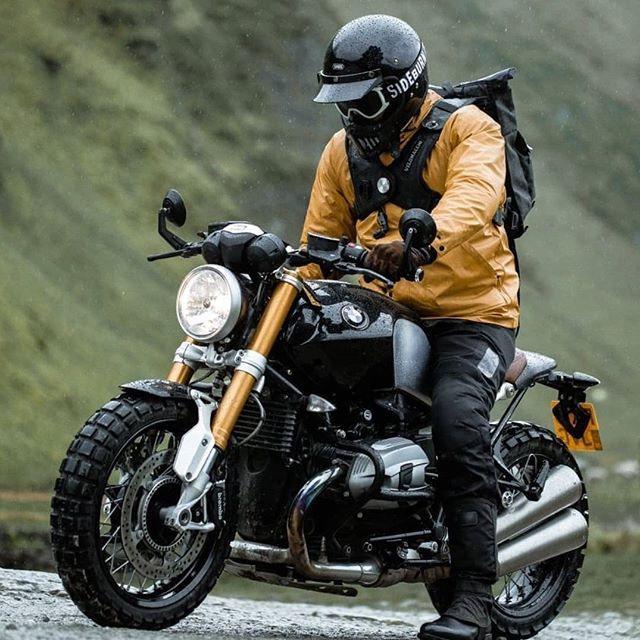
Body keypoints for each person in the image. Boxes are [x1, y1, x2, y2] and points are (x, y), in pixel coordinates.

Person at [299, 14, 519, 640]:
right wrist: (296, 280)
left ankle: (473, 597)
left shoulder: (468, 129)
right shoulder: (342, 152)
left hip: (472, 314)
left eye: (360, 100)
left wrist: (420, 244)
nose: (349, 114)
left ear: (398, 89)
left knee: (455, 418)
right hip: (384, 310)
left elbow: (474, 198)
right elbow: (318, 243)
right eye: (341, 100)